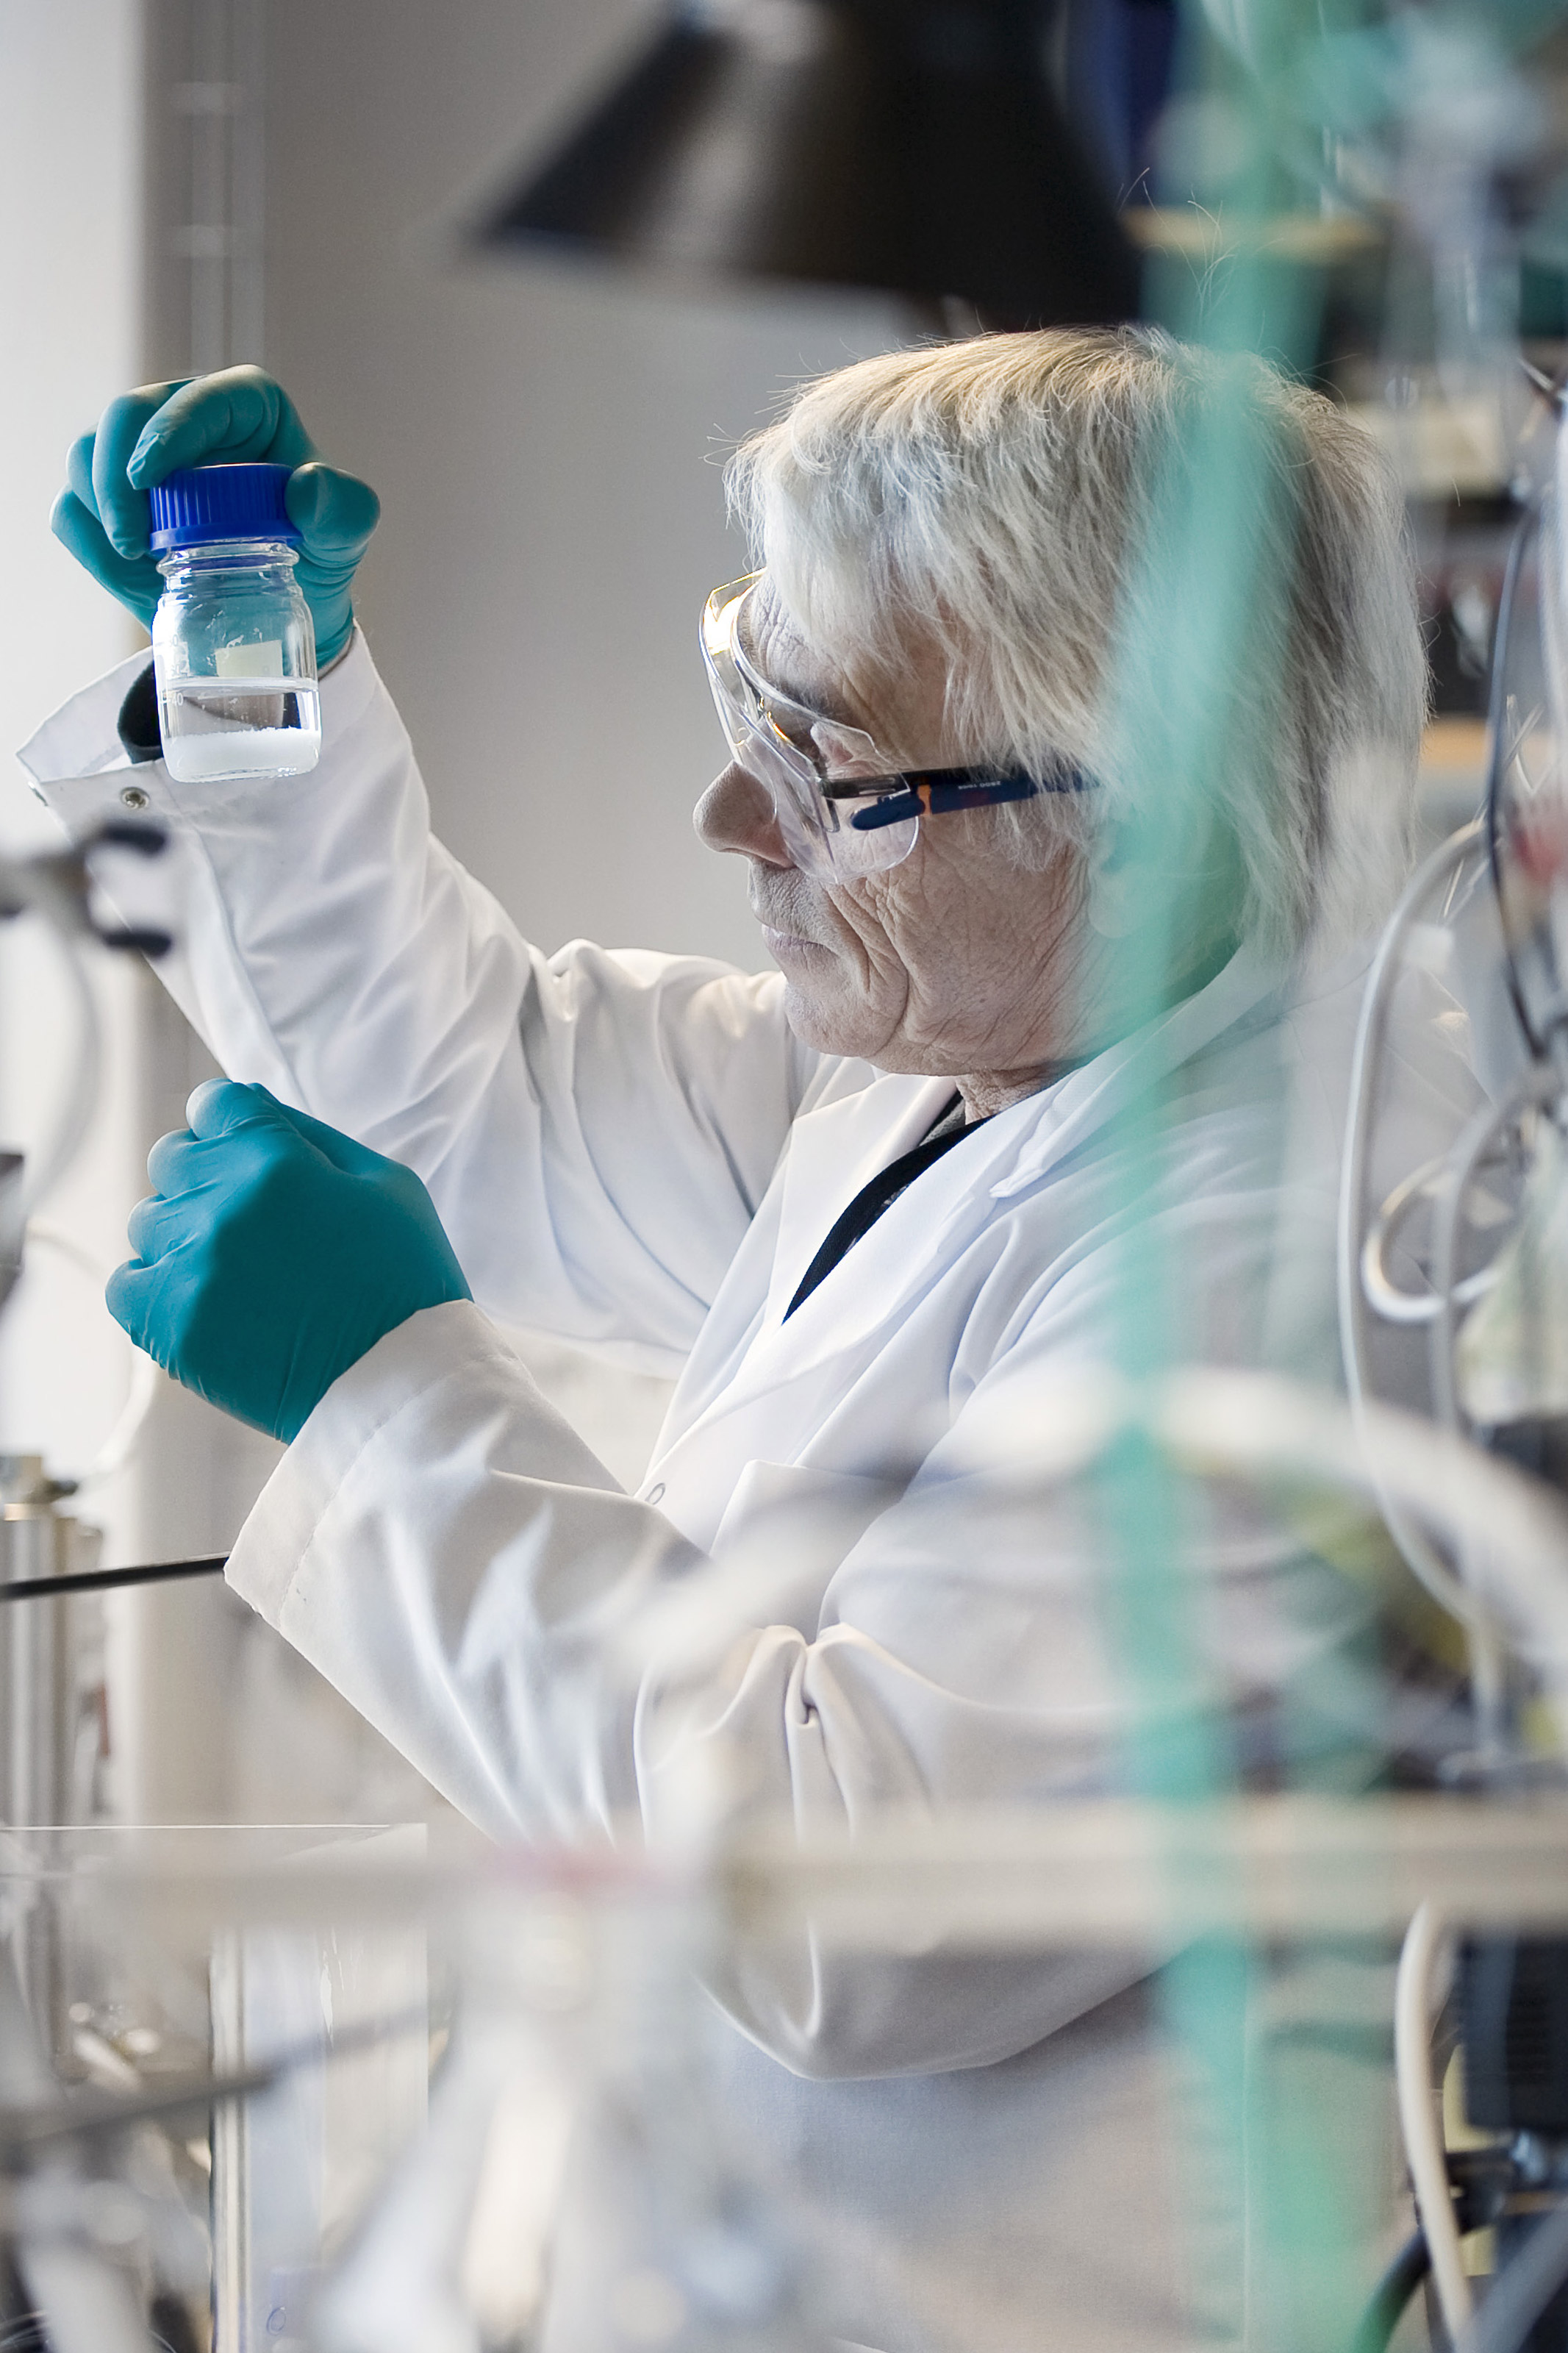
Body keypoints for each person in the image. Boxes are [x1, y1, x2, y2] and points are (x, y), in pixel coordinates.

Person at [25, 330, 1473, 2351]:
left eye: (828, 768)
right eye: (750, 706)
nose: (729, 813)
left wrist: (389, 1397)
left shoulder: (1281, 1252)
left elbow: (856, 1895)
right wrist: (268, 691)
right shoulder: (945, 1078)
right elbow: (470, 1097)